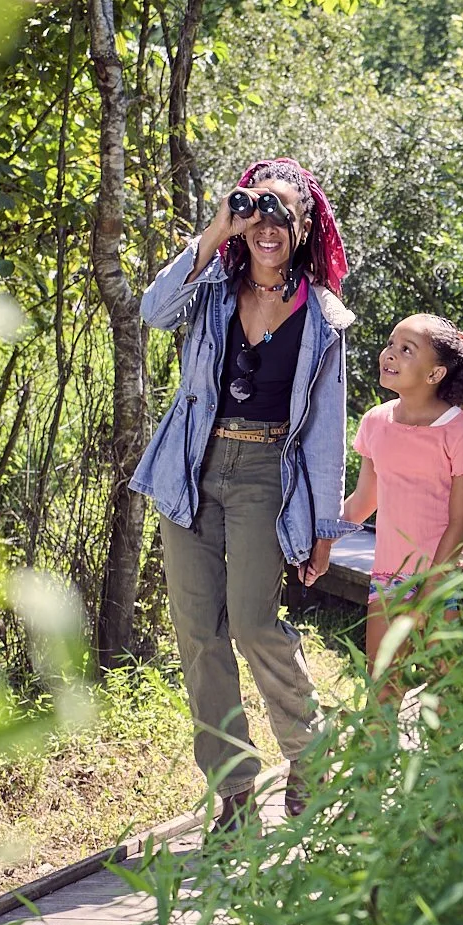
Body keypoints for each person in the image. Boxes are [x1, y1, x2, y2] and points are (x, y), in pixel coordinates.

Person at [131, 159, 355, 828]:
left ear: (307, 225)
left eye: (283, 213)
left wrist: (322, 528)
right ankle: (232, 793)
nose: (268, 225)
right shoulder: (213, 291)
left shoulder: (323, 318)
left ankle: (308, 752)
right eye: (257, 210)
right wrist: (214, 230)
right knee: (199, 632)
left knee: (254, 623)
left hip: (265, 473)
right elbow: (152, 309)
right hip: (191, 467)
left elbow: (326, 434)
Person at [345, 315, 463, 695]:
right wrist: (317, 540)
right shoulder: (375, 422)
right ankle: (377, 754)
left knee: (445, 692)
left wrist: (427, 596)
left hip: (447, 578)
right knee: (382, 688)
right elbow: (361, 503)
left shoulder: (462, 434)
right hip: (390, 577)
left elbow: (458, 526)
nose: (390, 354)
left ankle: (451, 754)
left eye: (407, 350)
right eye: (391, 344)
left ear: (435, 373)